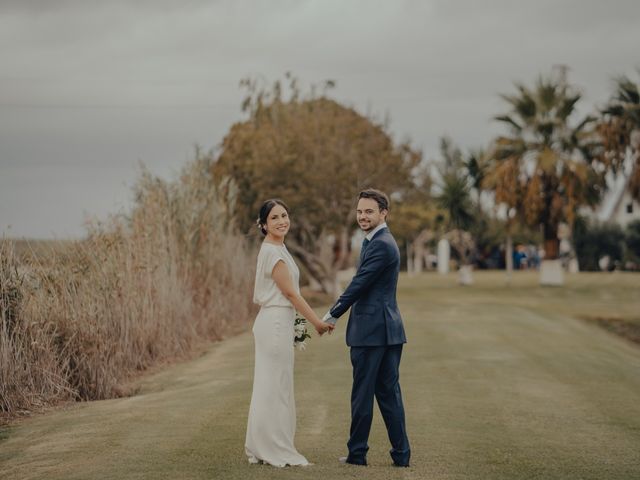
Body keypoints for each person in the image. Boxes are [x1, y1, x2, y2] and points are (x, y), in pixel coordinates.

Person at [323, 188, 411, 467]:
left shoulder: (382, 243)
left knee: (364, 394)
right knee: (388, 394)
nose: (362, 216)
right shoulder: (377, 240)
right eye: (360, 211)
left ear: (383, 213)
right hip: (387, 330)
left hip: (372, 332)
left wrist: (332, 314)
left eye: (369, 211)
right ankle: (401, 455)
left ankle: (357, 454)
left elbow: (359, 284)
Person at [245, 198, 334, 467]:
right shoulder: (273, 252)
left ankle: (263, 445)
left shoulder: (278, 247)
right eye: (274, 218)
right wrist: (316, 322)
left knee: (272, 385)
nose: (282, 221)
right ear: (263, 224)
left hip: (277, 320)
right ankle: (275, 447)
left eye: (284, 215)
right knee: (275, 387)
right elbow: (291, 294)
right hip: (274, 322)